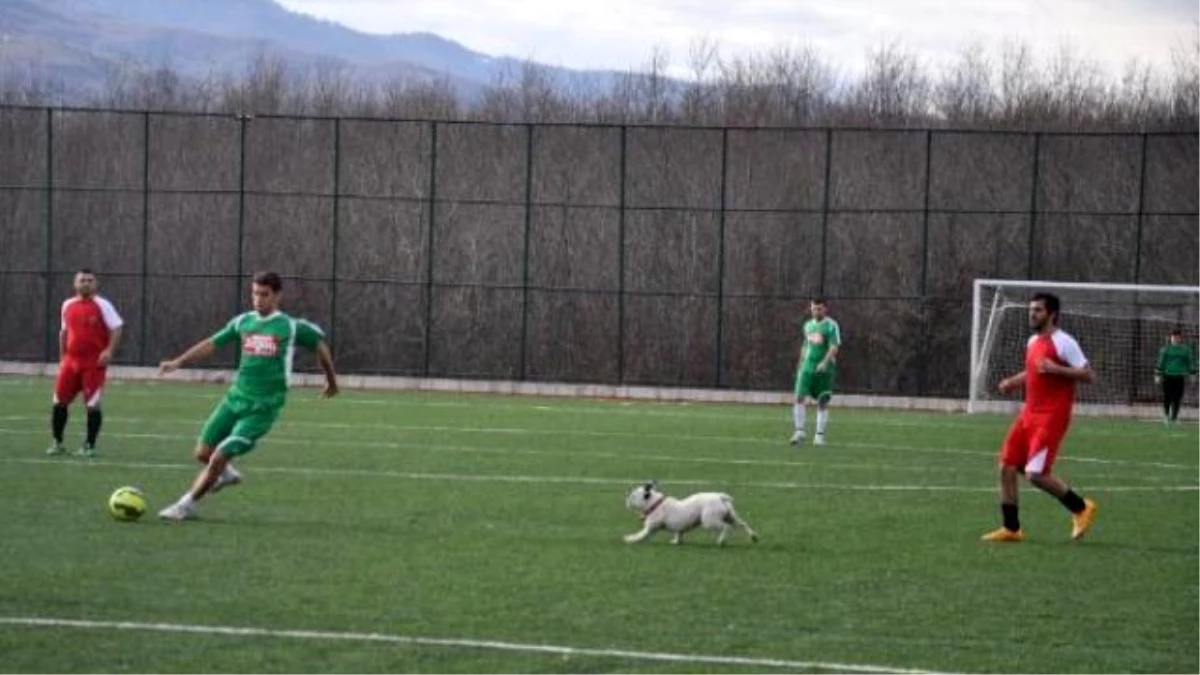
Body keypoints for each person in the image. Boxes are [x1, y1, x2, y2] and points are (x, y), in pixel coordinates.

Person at [155, 271, 339, 521]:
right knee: (202, 453)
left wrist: (330, 381)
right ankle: (227, 475)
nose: (258, 299)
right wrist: (178, 362)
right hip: (234, 399)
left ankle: (185, 505)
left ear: (277, 296)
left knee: (219, 455)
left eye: (264, 295)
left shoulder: (290, 326)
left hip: (263, 407)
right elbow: (211, 343)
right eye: (255, 293)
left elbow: (320, 346)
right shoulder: (243, 322)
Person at [982, 292, 1098, 543]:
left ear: (1052, 314)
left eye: (1038, 310)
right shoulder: (1033, 341)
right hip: (1029, 413)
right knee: (1007, 466)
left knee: (1036, 474)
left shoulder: (1064, 342)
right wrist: (1014, 381)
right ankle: (1011, 529)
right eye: (1031, 309)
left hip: (1051, 416)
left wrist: (1057, 369)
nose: (1032, 314)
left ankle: (1081, 508)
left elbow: (1088, 375)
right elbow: (1034, 369)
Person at [47, 269, 123, 458]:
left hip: (93, 363)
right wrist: (62, 357)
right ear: (75, 283)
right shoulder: (67, 305)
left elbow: (117, 327)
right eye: (82, 280)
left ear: (95, 284)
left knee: (92, 405)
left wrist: (108, 351)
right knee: (59, 402)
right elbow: (64, 332)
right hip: (71, 363)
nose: (86, 283)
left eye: (90, 280)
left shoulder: (103, 305)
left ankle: (89, 446)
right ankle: (57, 442)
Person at [790, 298, 841, 447]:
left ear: (825, 309)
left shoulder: (831, 326)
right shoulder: (807, 326)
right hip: (808, 367)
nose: (815, 311)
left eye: (819, 309)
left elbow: (834, 347)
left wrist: (824, 362)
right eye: (813, 308)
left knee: (822, 400)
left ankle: (819, 435)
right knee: (799, 397)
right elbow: (805, 345)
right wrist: (800, 364)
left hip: (824, 369)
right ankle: (799, 431)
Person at [1155, 328, 1195, 427]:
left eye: (1178, 337)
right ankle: (1166, 416)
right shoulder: (1166, 349)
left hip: (1179, 377)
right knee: (1167, 397)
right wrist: (1157, 374)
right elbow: (1161, 362)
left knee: (1177, 398)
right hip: (1168, 376)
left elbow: (1190, 362)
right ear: (1171, 338)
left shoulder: (1185, 350)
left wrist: (1192, 374)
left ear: (1180, 338)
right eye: (1174, 337)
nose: (1176, 339)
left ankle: (1175, 417)